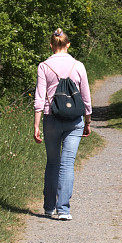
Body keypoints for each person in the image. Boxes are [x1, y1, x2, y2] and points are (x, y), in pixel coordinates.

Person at [33, 28, 92, 220]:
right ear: (68, 45)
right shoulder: (78, 65)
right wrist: (88, 120)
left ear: (51, 45)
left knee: (52, 163)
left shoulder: (43, 66)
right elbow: (86, 96)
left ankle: (49, 207)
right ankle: (64, 210)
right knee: (67, 165)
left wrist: (36, 124)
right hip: (74, 119)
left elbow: (39, 98)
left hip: (52, 118)